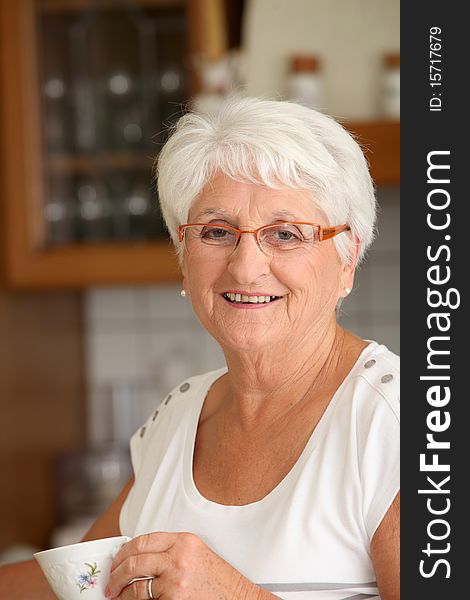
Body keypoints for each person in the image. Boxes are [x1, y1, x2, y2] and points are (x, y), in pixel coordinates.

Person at [0, 96, 399, 600]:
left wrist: (234, 594)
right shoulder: (181, 413)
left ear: (347, 259)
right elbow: (80, 580)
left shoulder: (397, 422)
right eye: (216, 231)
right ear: (182, 255)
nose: (245, 267)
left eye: (285, 234)